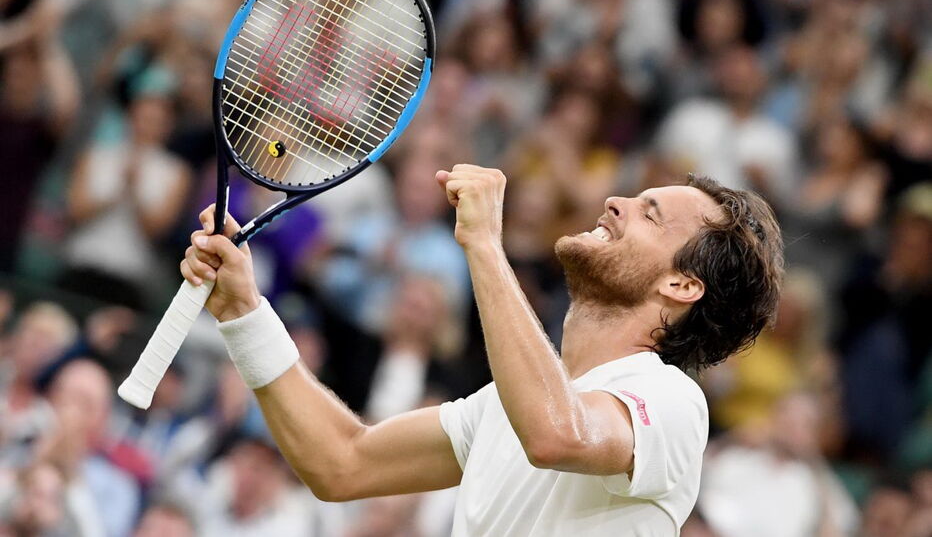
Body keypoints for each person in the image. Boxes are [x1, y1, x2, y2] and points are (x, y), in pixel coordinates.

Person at [179, 163, 783, 535]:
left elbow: (558, 435)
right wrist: (242, 310)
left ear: (680, 285)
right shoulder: (505, 405)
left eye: (650, 214)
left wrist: (485, 248)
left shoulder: (673, 401)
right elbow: (342, 462)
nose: (615, 202)